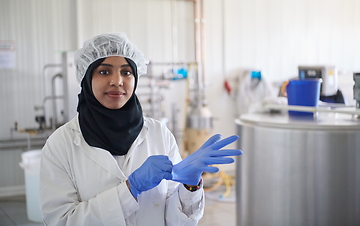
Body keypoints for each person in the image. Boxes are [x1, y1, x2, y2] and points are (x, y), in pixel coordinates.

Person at [39, 32, 243, 226]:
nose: (117, 81)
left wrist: (190, 187)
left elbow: (176, 221)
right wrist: (130, 188)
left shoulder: (159, 134)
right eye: (104, 71)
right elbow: (61, 220)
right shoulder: (61, 144)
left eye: (126, 72)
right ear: (87, 78)